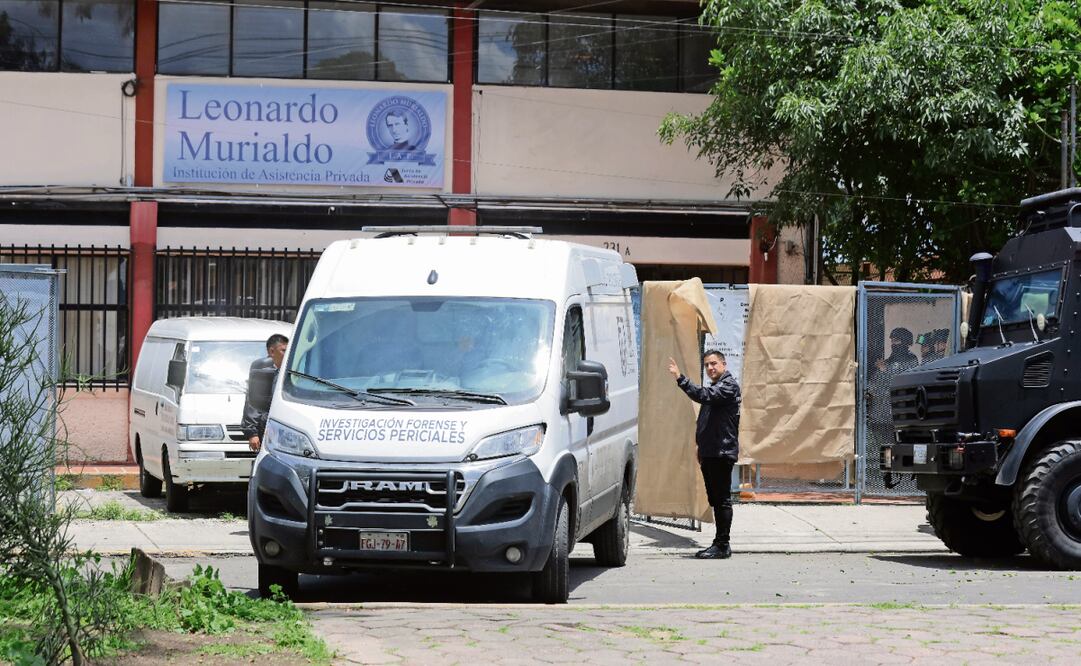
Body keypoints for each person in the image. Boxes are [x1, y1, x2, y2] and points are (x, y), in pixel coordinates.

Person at [667, 351, 741, 559]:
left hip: (721, 451)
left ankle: (722, 545)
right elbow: (707, 420)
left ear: (724, 365)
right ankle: (719, 543)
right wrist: (700, 446)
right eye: (707, 365)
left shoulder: (728, 386)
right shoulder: (717, 387)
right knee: (716, 499)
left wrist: (681, 379)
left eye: (714, 364)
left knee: (722, 499)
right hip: (711, 451)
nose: (710, 368)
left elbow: (703, 396)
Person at [242, 333, 289, 452]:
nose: (288, 354)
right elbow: (253, 404)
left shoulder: (293, 374)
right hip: (268, 430)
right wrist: (252, 433)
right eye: (284, 350)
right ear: (272, 351)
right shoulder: (263, 373)